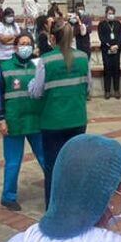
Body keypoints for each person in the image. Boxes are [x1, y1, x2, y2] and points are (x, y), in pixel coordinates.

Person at [37, 22, 90, 206]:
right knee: (74, 164)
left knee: (53, 167)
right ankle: (74, 205)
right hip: (77, 119)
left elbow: (37, 91)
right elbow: (88, 87)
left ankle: (53, 207)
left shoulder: (46, 60)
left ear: (52, 38)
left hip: (52, 121)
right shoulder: (83, 57)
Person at [0, 32, 45, 211]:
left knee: (45, 158)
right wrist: (1, 119)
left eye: (28, 43)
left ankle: (55, 191)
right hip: (13, 121)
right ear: (15, 47)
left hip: (35, 121)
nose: (25, 47)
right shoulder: (5, 67)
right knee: (13, 162)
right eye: (22, 44)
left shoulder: (38, 66)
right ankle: (8, 197)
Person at [97, 6, 121, 99]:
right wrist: (109, 46)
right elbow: (101, 37)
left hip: (116, 49)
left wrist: (117, 45)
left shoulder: (118, 24)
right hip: (106, 49)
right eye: (109, 13)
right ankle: (107, 91)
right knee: (107, 69)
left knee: (116, 69)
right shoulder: (101, 24)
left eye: (112, 13)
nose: (111, 15)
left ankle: (116, 90)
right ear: (106, 14)